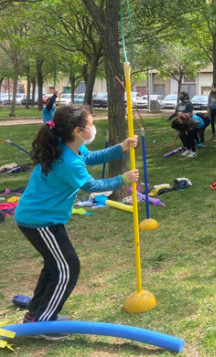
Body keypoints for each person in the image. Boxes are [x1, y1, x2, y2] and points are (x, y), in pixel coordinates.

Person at [14, 105, 139, 337]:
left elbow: (92, 157)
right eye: (91, 124)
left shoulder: (70, 148)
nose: (94, 128)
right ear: (78, 131)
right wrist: (123, 178)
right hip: (40, 221)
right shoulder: (68, 162)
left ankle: (36, 315)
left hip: (39, 218)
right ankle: (43, 321)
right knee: (67, 269)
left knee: (55, 266)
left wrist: (120, 148)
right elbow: (92, 186)